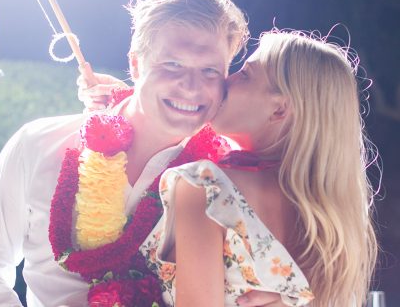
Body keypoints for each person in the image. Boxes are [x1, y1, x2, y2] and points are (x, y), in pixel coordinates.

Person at [0, 0, 249, 306]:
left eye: (209, 71)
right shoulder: (38, 143)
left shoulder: (229, 180)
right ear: (135, 64)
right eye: (172, 64)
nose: (190, 87)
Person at [140, 30, 378, 306]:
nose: (226, 80)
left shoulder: (205, 187)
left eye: (246, 75)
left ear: (279, 110)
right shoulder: (333, 227)